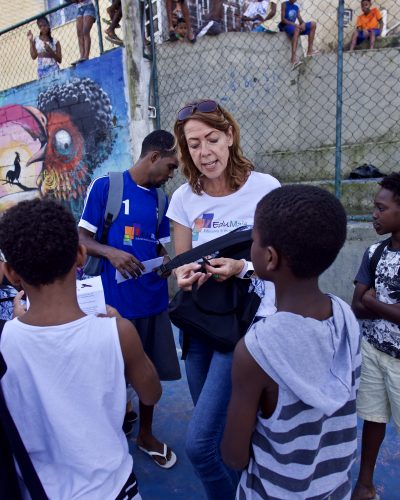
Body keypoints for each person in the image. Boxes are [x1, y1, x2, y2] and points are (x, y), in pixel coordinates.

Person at [0, 198, 162, 499]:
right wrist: (119, 324)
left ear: (11, 273)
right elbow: (151, 393)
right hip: (113, 489)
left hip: (39, 491)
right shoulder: (117, 332)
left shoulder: (4, 341)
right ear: (80, 256)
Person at [167, 99, 280, 499]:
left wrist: (240, 268)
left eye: (212, 139)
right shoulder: (183, 198)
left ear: (230, 135)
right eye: (194, 144)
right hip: (200, 326)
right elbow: (180, 266)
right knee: (214, 433)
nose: (204, 152)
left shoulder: (266, 188)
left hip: (248, 328)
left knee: (199, 446)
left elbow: (281, 265)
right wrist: (183, 277)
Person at [221, 185, 361, 499]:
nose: (251, 246)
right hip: (335, 488)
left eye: (253, 239)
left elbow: (234, 455)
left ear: (269, 258)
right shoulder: (346, 316)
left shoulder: (256, 350)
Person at [78, 130, 180, 469]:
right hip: (114, 306)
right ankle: (109, 433)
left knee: (150, 371)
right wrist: (112, 253)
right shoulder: (107, 187)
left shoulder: (162, 200)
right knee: (108, 375)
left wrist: (166, 262)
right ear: (153, 157)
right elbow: (81, 238)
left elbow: (160, 245)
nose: (172, 173)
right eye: (170, 165)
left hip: (152, 302)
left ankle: (146, 435)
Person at [351, 173, 400, 500]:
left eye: (381, 208)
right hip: (372, 351)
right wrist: (374, 303)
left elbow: (365, 299)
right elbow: (357, 305)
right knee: (372, 418)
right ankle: (364, 484)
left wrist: (371, 300)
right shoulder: (374, 253)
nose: (374, 214)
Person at [279, 0, 318, 69]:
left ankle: (310, 50)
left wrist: (302, 24)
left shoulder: (296, 7)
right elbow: (283, 20)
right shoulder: (284, 4)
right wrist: (295, 25)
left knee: (313, 24)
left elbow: (300, 20)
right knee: (297, 29)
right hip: (285, 26)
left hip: (294, 27)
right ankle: (293, 59)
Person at [71, 0, 97, 64]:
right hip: (79, 8)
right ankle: (82, 56)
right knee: (79, 33)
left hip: (89, 7)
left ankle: (86, 56)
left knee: (85, 31)